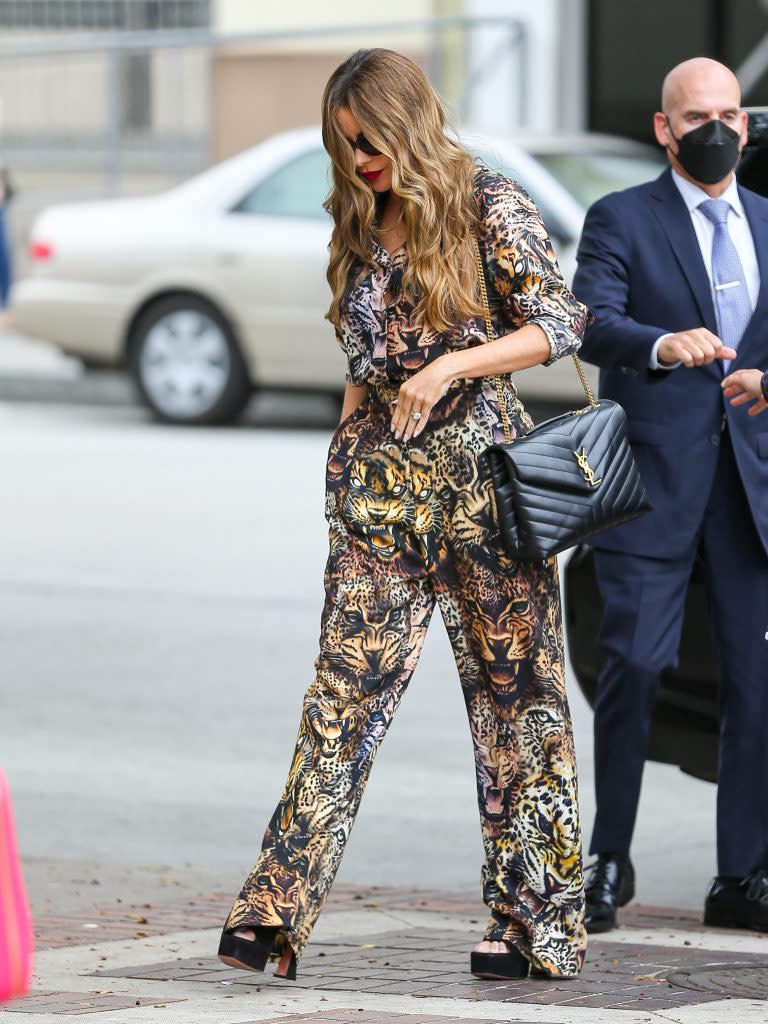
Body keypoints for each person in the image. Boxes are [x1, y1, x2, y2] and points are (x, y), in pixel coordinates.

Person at [217, 48, 589, 982]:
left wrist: (447, 367)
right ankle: (274, 914)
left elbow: (557, 323)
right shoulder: (356, 220)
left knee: (517, 702)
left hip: (486, 490)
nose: (361, 162)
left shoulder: (483, 197)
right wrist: (341, 469)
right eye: (345, 147)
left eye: (370, 142)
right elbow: (358, 356)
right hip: (379, 497)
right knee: (340, 701)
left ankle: (533, 926)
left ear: (407, 119)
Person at [572, 57, 768, 934]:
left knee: (755, 683)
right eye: (697, 116)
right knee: (636, 667)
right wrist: (661, 344)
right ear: (665, 129)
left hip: (752, 492)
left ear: (749, 126)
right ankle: (608, 857)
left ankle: (742, 878)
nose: (716, 129)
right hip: (652, 483)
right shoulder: (623, 217)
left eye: (729, 113)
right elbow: (591, 321)